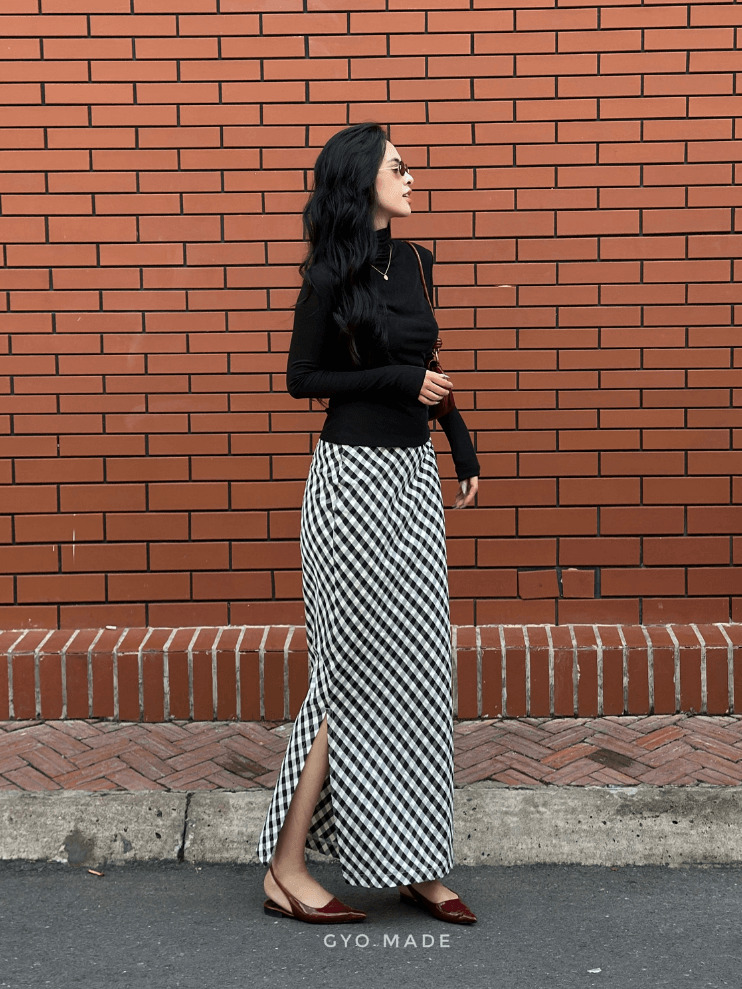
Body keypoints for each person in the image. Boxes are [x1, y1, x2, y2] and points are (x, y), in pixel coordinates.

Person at [256, 122, 480, 926]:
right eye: (399, 167)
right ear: (362, 181)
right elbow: (302, 378)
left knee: (419, 672)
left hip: (413, 479)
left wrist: (460, 441)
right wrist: (396, 379)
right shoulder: (328, 274)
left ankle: (413, 864)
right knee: (348, 673)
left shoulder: (417, 261)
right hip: (350, 485)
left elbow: (430, 363)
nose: (412, 177)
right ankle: (285, 868)